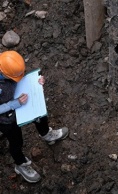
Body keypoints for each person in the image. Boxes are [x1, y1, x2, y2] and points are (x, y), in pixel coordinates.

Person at [0, 50, 69, 183]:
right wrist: (13, 104)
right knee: (16, 141)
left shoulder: (6, 61)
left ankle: (46, 134)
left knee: (39, 115)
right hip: (5, 117)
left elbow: (19, 78)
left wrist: (35, 83)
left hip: (19, 99)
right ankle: (20, 164)